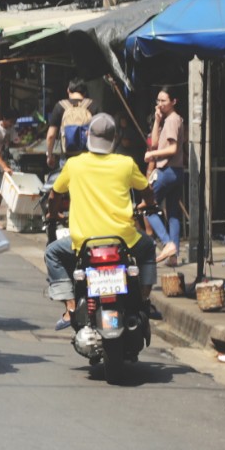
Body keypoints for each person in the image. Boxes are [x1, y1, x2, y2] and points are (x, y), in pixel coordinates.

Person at [43, 114, 153, 331]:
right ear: (115, 138)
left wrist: (53, 215)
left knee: (52, 253)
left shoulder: (74, 165)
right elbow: (147, 191)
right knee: (148, 247)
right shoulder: (126, 163)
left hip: (84, 242)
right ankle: (143, 296)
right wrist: (147, 204)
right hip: (124, 239)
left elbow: (54, 196)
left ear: (88, 136)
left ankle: (71, 306)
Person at [143, 86, 187, 266]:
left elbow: (172, 148)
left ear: (173, 102)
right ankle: (173, 256)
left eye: (163, 101)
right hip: (176, 172)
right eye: (158, 101)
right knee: (173, 214)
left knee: (147, 207)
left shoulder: (172, 120)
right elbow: (154, 143)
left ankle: (168, 243)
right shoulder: (168, 119)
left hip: (167, 170)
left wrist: (151, 156)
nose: (160, 104)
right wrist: (156, 121)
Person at [57, 86, 94, 157]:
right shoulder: (93, 105)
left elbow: (51, 135)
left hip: (67, 156)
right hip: (87, 156)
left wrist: (49, 155)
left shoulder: (60, 106)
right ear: (85, 92)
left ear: (68, 90)